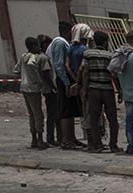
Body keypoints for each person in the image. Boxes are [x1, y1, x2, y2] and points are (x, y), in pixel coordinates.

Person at [79, 30, 120, 153]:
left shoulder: (88, 54)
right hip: (107, 89)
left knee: (94, 118)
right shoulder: (110, 55)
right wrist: (120, 90)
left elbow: (85, 71)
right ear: (105, 42)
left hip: (93, 89)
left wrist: (84, 88)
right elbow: (114, 74)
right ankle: (113, 144)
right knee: (112, 118)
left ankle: (97, 144)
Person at [14, 36, 50, 149]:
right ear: (33, 46)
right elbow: (37, 69)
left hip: (24, 87)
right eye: (38, 46)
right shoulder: (34, 57)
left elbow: (16, 70)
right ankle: (39, 139)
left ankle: (34, 139)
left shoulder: (23, 56)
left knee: (32, 114)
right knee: (38, 114)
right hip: (33, 88)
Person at [50, 21, 81, 149]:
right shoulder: (60, 43)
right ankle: (66, 140)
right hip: (64, 80)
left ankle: (72, 138)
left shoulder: (64, 43)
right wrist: (67, 83)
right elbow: (59, 65)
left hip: (66, 79)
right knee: (66, 110)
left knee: (71, 110)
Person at [37, 34, 59, 146]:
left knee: (52, 114)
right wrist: (54, 87)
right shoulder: (44, 58)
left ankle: (53, 137)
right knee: (53, 114)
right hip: (50, 90)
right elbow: (46, 74)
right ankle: (51, 138)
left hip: (46, 89)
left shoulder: (39, 57)